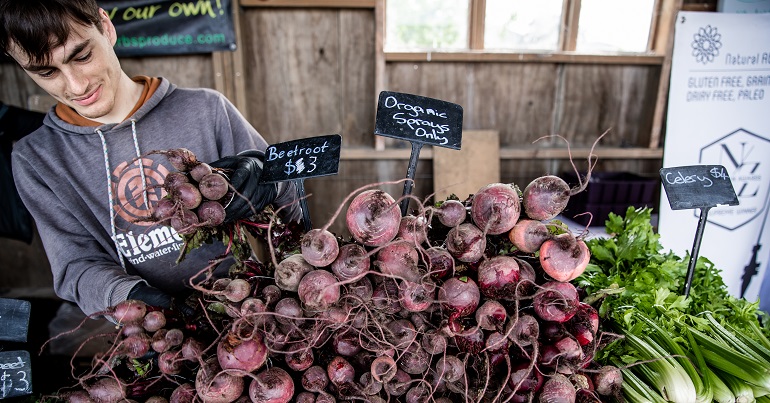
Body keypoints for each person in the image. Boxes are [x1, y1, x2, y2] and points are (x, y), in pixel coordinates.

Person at [0, 0, 301, 317]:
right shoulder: (36, 158)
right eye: (46, 72)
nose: (76, 85)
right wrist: (128, 296)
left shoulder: (206, 110)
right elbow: (74, 265)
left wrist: (272, 177)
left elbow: (292, 211)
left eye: (82, 56)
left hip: (250, 308)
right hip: (152, 334)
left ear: (106, 27)